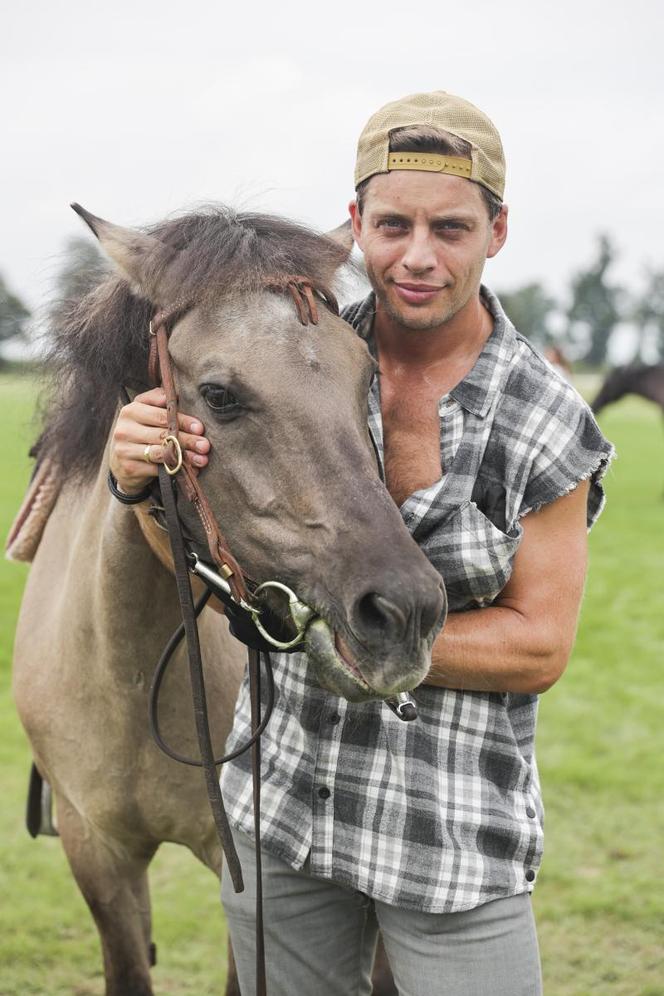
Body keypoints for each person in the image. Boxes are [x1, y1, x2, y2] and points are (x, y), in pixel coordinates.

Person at [109, 91, 613, 995]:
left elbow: (539, 645)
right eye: (393, 225)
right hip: (283, 813)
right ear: (355, 228)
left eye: (451, 228)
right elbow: (206, 564)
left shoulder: (545, 418)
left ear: (497, 233)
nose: (418, 257)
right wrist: (139, 477)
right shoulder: (297, 359)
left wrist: (329, 633)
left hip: (452, 844)